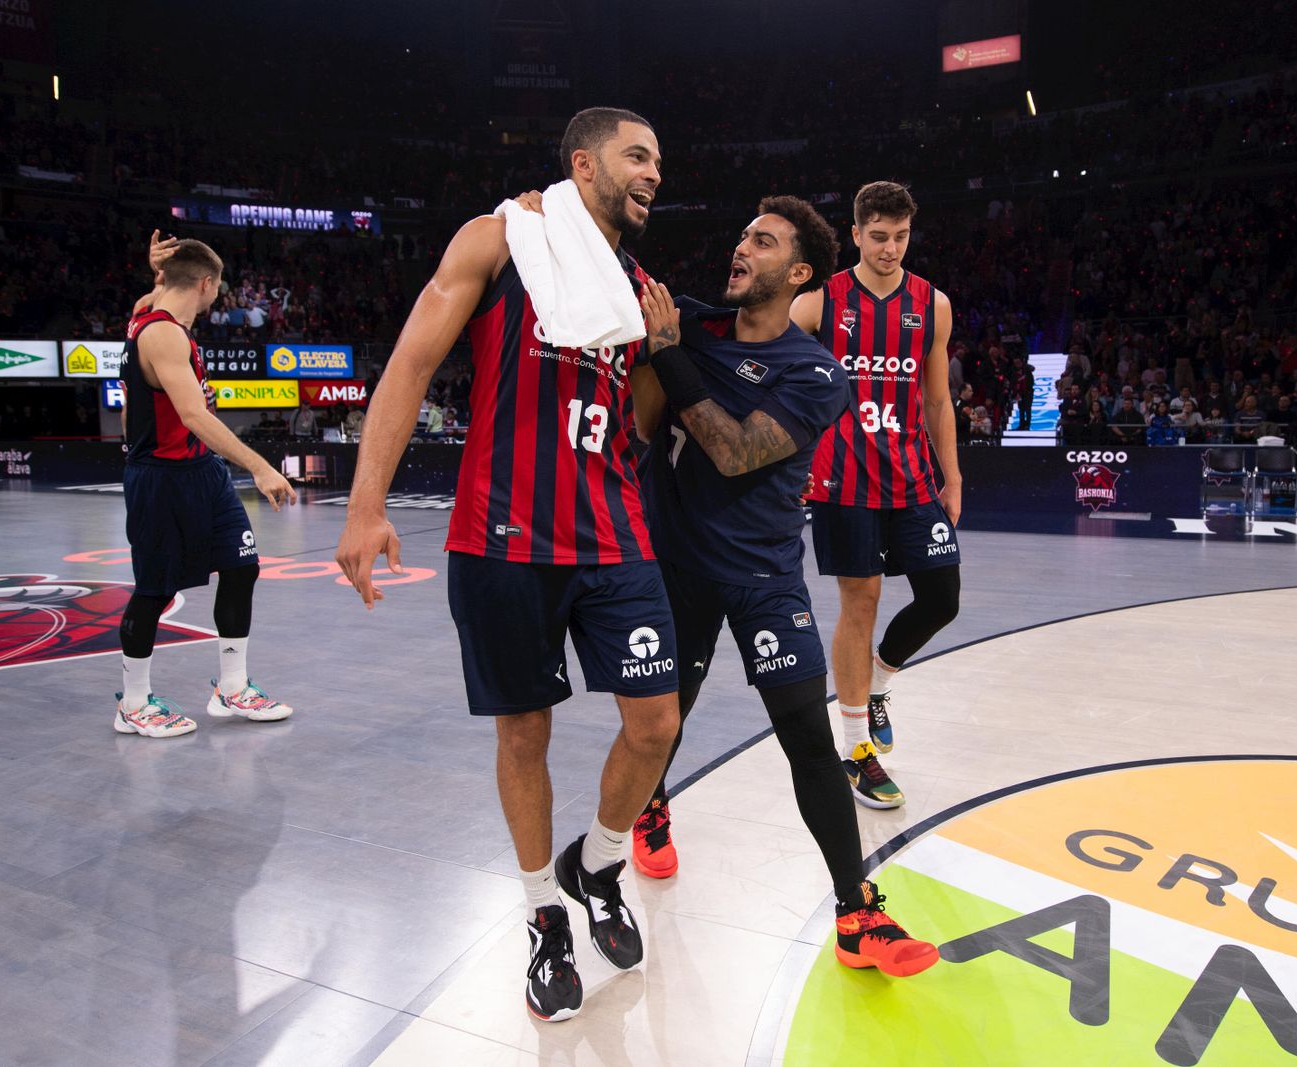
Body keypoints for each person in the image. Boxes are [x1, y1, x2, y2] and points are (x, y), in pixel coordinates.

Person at [334, 108, 679, 1024]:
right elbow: (409, 366)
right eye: (636, 156)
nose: (653, 173)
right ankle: (542, 912)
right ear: (583, 163)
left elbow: (638, 423)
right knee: (524, 737)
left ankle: (597, 864)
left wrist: (665, 352)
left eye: (658, 161)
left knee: (656, 724)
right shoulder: (500, 239)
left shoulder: (641, 290)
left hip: (613, 536)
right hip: (503, 541)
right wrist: (366, 504)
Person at [629, 197, 938, 978]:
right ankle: (651, 806)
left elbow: (735, 454)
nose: (741, 246)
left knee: (806, 734)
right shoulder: (690, 324)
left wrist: (666, 354)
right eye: (741, 232)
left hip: (766, 577)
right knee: (664, 723)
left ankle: (856, 910)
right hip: (678, 568)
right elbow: (607, 280)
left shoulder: (817, 372)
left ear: (799, 272)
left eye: (761, 240)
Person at [791, 181, 961, 811]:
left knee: (942, 597)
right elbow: (762, 338)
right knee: (859, 605)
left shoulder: (932, 304)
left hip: (914, 475)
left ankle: (881, 680)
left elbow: (937, 399)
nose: (891, 248)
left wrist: (955, 476)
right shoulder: (821, 301)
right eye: (879, 237)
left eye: (901, 237)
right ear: (856, 233)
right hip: (843, 481)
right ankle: (857, 751)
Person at [116, 236, 297, 740]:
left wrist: (156, 270)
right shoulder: (162, 335)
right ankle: (133, 704)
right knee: (154, 590)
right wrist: (260, 467)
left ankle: (232, 687)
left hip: (203, 473)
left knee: (242, 568)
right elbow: (193, 415)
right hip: (160, 476)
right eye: (217, 288)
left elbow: (155, 293)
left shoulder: (148, 313)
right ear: (206, 284)